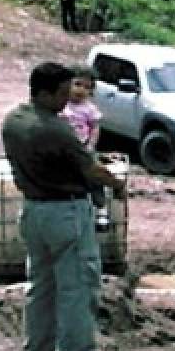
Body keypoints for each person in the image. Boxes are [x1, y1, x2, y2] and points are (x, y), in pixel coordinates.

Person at [1, 62, 127, 351]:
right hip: (66, 213)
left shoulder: (14, 120)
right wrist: (116, 183)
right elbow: (90, 169)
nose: (67, 98)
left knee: (40, 288)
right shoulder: (55, 129)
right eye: (62, 92)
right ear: (44, 92)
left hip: (33, 210)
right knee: (77, 288)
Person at [62, 66, 110, 231]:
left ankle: (101, 209)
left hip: (83, 148)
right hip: (61, 148)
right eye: (77, 84)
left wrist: (90, 145)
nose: (81, 90)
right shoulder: (61, 105)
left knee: (94, 176)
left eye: (87, 87)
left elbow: (95, 127)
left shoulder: (89, 109)